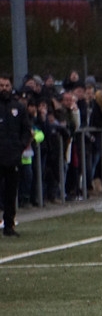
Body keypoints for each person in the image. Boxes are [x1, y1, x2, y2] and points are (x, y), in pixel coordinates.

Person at [0, 75, 34, 237]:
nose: (4, 88)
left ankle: (9, 225)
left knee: (10, 193)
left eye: (7, 85)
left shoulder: (18, 108)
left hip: (12, 158)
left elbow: (26, 130)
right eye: (1, 85)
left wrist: (20, 146)